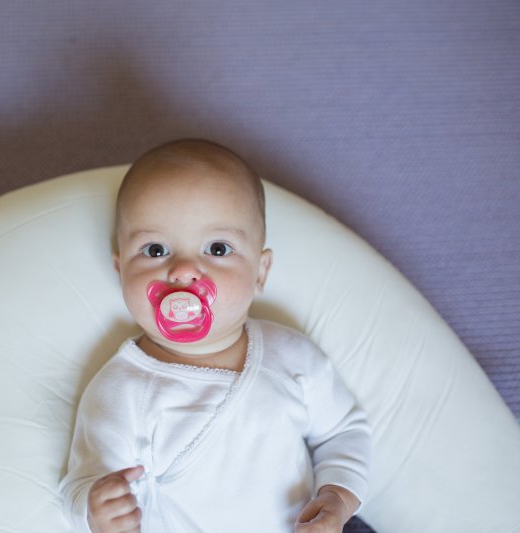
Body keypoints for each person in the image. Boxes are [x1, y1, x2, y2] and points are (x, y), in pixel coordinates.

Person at [59, 139, 370, 532]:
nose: (183, 271)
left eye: (218, 248)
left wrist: (338, 499)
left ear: (260, 272)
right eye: (155, 250)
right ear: (121, 271)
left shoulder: (291, 356)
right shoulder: (122, 390)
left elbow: (343, 432)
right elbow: (81, 484)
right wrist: (97, 510)